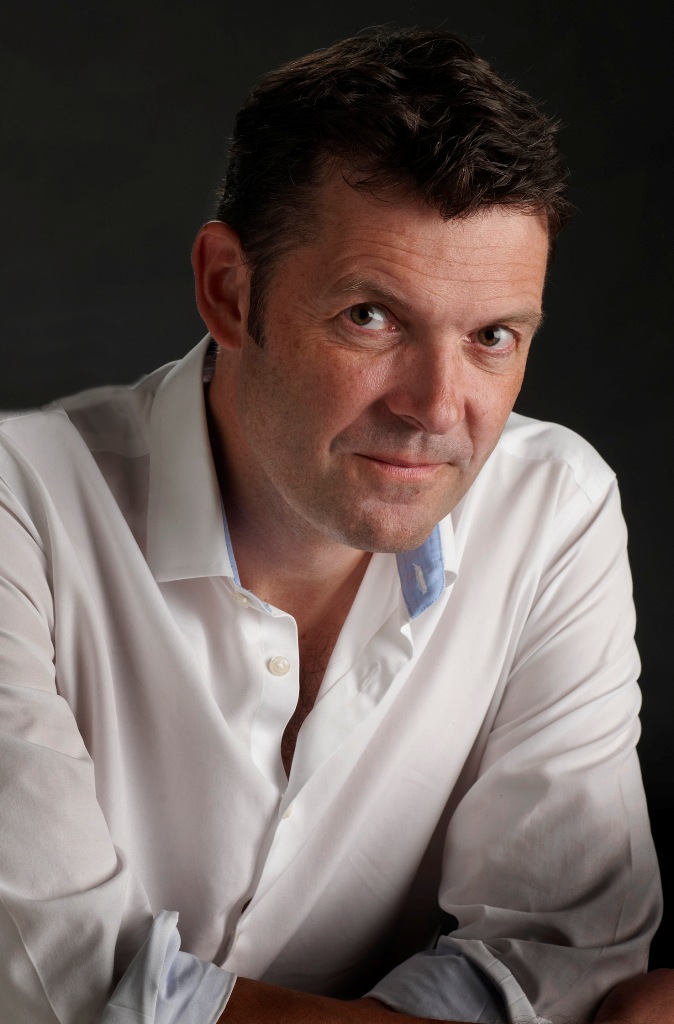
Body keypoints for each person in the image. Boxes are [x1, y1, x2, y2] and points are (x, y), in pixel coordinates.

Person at [0, 26, 662, 1024]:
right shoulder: (21, 511)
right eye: (371, 318)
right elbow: (65, 993)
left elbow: (558, 961)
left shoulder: (553, 511)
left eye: (491, 336)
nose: (437, 408)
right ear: (229, 291)